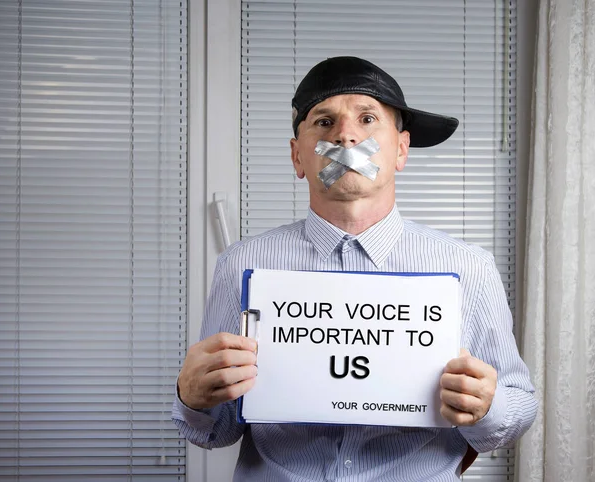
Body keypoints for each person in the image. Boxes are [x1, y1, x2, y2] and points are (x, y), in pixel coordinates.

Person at [172, 56, 537, 481]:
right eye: (324, 122)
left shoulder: (469, 268)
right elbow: (218, 431)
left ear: (401, 149)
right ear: (297, 157)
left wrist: (488, 407)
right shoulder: (242, 265)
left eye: (367, 118)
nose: (345, 135)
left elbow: (519, 406)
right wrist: (192, 399)